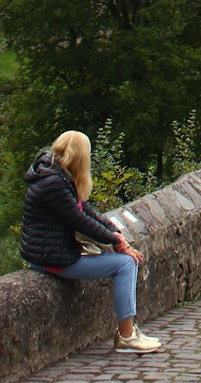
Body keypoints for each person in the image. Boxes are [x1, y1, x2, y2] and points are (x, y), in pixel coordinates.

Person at [20, 130, 160, 353]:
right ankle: (126, 336)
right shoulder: (54, 184)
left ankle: (129, 333)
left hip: (48, 253)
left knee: (122, 259)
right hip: (51, 259)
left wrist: (115, 231)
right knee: (125, 264)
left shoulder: (56, 175)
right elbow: (80, 221)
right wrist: (117, 241)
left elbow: (86, 210)